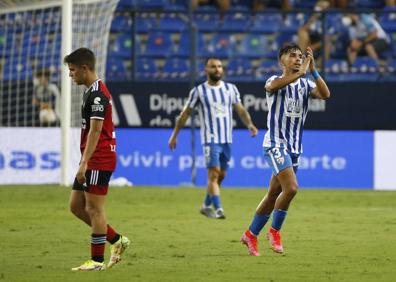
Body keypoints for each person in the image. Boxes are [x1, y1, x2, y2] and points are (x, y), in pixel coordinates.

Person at [240, 45, 330, 256]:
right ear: (282, 61)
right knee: (291, 189)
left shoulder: (305, 85)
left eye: (300, 56)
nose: (298, 59)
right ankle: (274, 231)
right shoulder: (273, 81)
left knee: (273, 194)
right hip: (275, 144)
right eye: (292, 56)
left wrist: (314, 71)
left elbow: (325, 94)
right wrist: (303, 71)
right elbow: (274, 87)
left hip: (294, 148)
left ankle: (250, 235)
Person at [64, 48, 130, 271]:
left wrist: (84, 162)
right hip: (92, 158)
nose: (70, 75)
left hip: (98, 159)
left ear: (85, 68)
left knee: (95, 210)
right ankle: (117, 240)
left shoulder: (98, 95)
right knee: (75, 206)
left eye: (72, 70)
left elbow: (95, 131)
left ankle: (97, 261)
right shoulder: (90, 91)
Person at [168, 57, 258, 219]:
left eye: (219, 66)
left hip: (226, 139)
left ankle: (205, 205)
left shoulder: (231, 89)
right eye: (213, 67)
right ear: (206, 70)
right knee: (214, 174)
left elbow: (241, 110)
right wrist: (174, 135)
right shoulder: (198, 91)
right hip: (210, 139)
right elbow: (185, 114)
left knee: (221, 175)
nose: (217, 69)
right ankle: (218, 209)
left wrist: (250, 125)